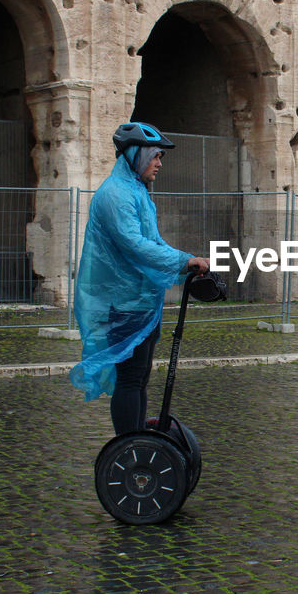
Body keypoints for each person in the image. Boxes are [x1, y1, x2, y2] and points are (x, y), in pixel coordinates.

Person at [70, 122, 210, 435]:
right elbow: (135, 244)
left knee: (140, 378)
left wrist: (186, 260)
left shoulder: (136, 190)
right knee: (130, 380)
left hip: (141, 301)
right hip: (124, 304)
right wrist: (183, 261)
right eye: (156, 156)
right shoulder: (116, 194)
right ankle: (128, 447)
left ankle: (136, 442)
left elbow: (155, 242)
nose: (160, 163)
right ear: (136, 154)